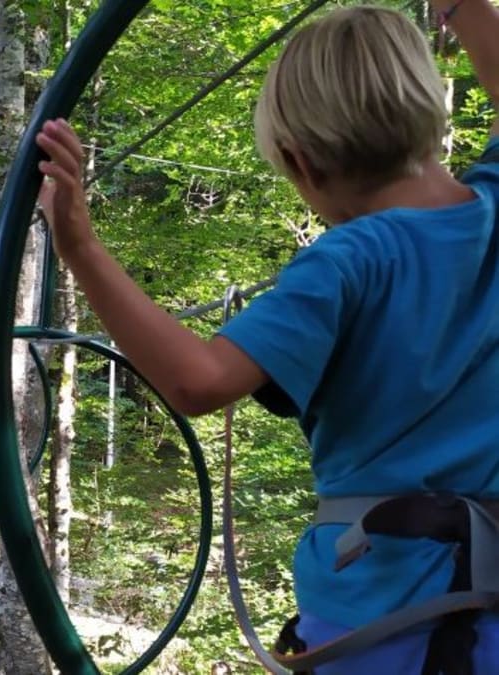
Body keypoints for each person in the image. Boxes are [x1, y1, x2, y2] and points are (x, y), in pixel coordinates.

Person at [36, 2, 499, 673]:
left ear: (300, 162)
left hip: (381, 619)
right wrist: (463, 9)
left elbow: (199, 379)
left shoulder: (348, 260)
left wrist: (78, 244)